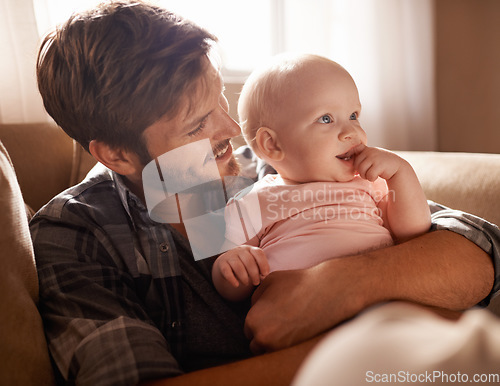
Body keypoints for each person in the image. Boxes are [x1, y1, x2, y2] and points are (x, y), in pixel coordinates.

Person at [30, 1, 499, 384]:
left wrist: (336, 286)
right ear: (116, 155)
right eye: (197, 124)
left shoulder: (275, 165)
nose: (233, 130)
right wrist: (364, 356)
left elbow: (480, 250)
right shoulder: (76, 236)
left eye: (220, 100)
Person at [212, 54, 431, 301]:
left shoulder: (368, 182)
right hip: (297, 313)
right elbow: (233, 290)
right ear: (272, 144)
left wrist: (402, 173)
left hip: (378, 299)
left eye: (353, 115)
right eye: (326, 119)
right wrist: (231, 265)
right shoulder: (255, 200)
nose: (352, 131)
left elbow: (413, 234)